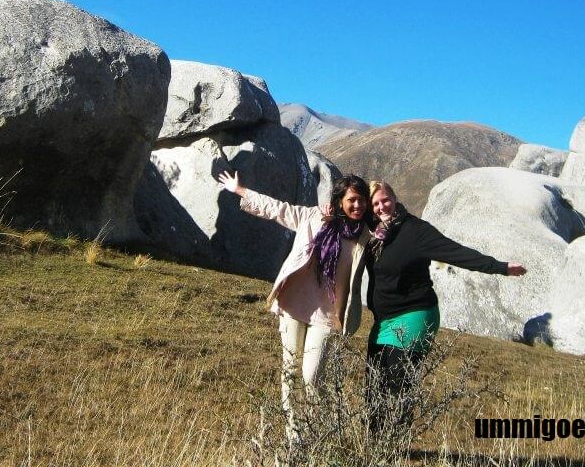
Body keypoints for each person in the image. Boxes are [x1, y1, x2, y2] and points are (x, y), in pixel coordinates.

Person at [216, 169, 372, 434]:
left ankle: (316, 430)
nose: (358, 205)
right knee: (290, 372)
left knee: (312, 375)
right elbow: (277, 209)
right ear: (339, 201)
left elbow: (389, 210)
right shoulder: (314, 217)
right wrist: (240, 190)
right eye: (352, 200)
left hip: (328, 315)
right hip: (293, 304)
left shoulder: (365, 235)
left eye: (361, 200)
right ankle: (293, 433)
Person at [365, 179, 527, 431]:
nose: (381, 206)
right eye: (375, 203)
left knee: (397, 384)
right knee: (374, 384)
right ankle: (373, 445)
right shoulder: (375, 234)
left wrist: (501, 267)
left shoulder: (416, 231)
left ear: (395, 198)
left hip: (414, 315)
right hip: (383, 321)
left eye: (385, 199)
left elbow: (456, 252)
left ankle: (395, 448)